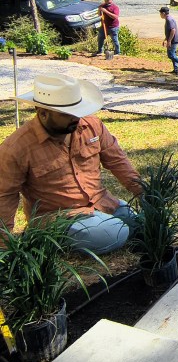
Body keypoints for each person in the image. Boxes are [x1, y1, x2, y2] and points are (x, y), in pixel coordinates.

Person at [0, 72, 142, 253]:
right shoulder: (16, 148)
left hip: (101, 204)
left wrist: (145, 193)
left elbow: (118, 162)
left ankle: (107, 227)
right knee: (117, 232)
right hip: (57, 217)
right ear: (43, 113)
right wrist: (4, 246)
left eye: (78, 110)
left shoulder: (92, 126)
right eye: (68, 114)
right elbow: (4, 196)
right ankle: (49, 239)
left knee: (140, 224)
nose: (76, 117)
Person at [159, 5, 178, 74]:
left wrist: (169, 41)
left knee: (171, 55)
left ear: (163, 13)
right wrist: (165, 39)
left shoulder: (169, 20)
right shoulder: (169, 18)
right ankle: (176, 70)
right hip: (174, 40)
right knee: (173, 55)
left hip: (174, 40)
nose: (160, 15)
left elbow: (173, 30)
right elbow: (169, 31)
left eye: (160, 13)